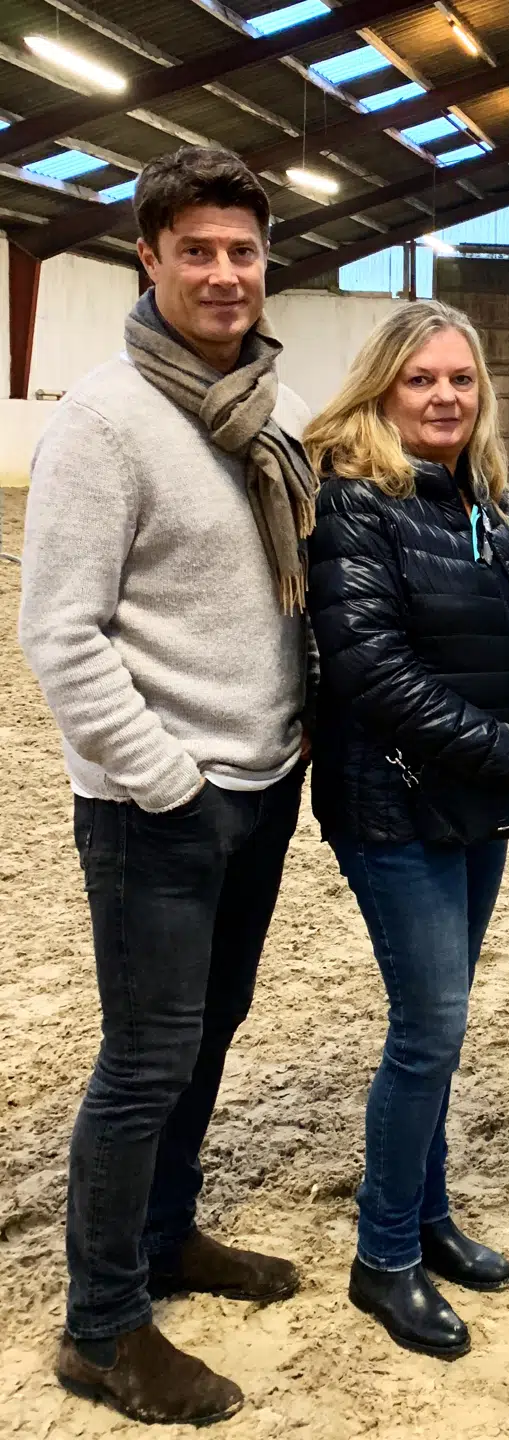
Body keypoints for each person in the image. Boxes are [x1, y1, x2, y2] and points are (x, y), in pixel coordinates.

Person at [18, 147, 315, 1425]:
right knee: (144, 1060)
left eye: (242, 250)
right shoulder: (104, 421)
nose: (224, 273)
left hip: (265, 780)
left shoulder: (269, 408)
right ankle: (101, 1328)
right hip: (161, 805)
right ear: (150, 259)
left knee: (208, 1031)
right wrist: (167, 783)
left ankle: (164, 1232)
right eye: (196, 250)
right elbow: (59, 631)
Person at [304, 300, 509, 1361]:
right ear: (384, 387)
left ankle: (426, 1218)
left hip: (474, 796)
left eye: (461, 379)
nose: (445, 397)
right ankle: (383, 1257)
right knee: (429, 1026)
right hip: (392, 803)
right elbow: (371, 670)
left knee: (441, 1029)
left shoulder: (492, 501)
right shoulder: (354, 502)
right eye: (422, 379)